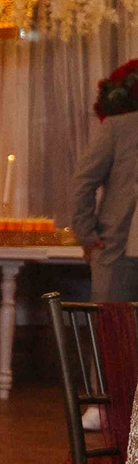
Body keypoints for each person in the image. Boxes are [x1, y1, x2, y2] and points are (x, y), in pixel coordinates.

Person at [71, 75, 138, 303]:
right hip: (119, 251)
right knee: (114, 332)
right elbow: (83, 182)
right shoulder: (120, 128)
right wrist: (87, 234)